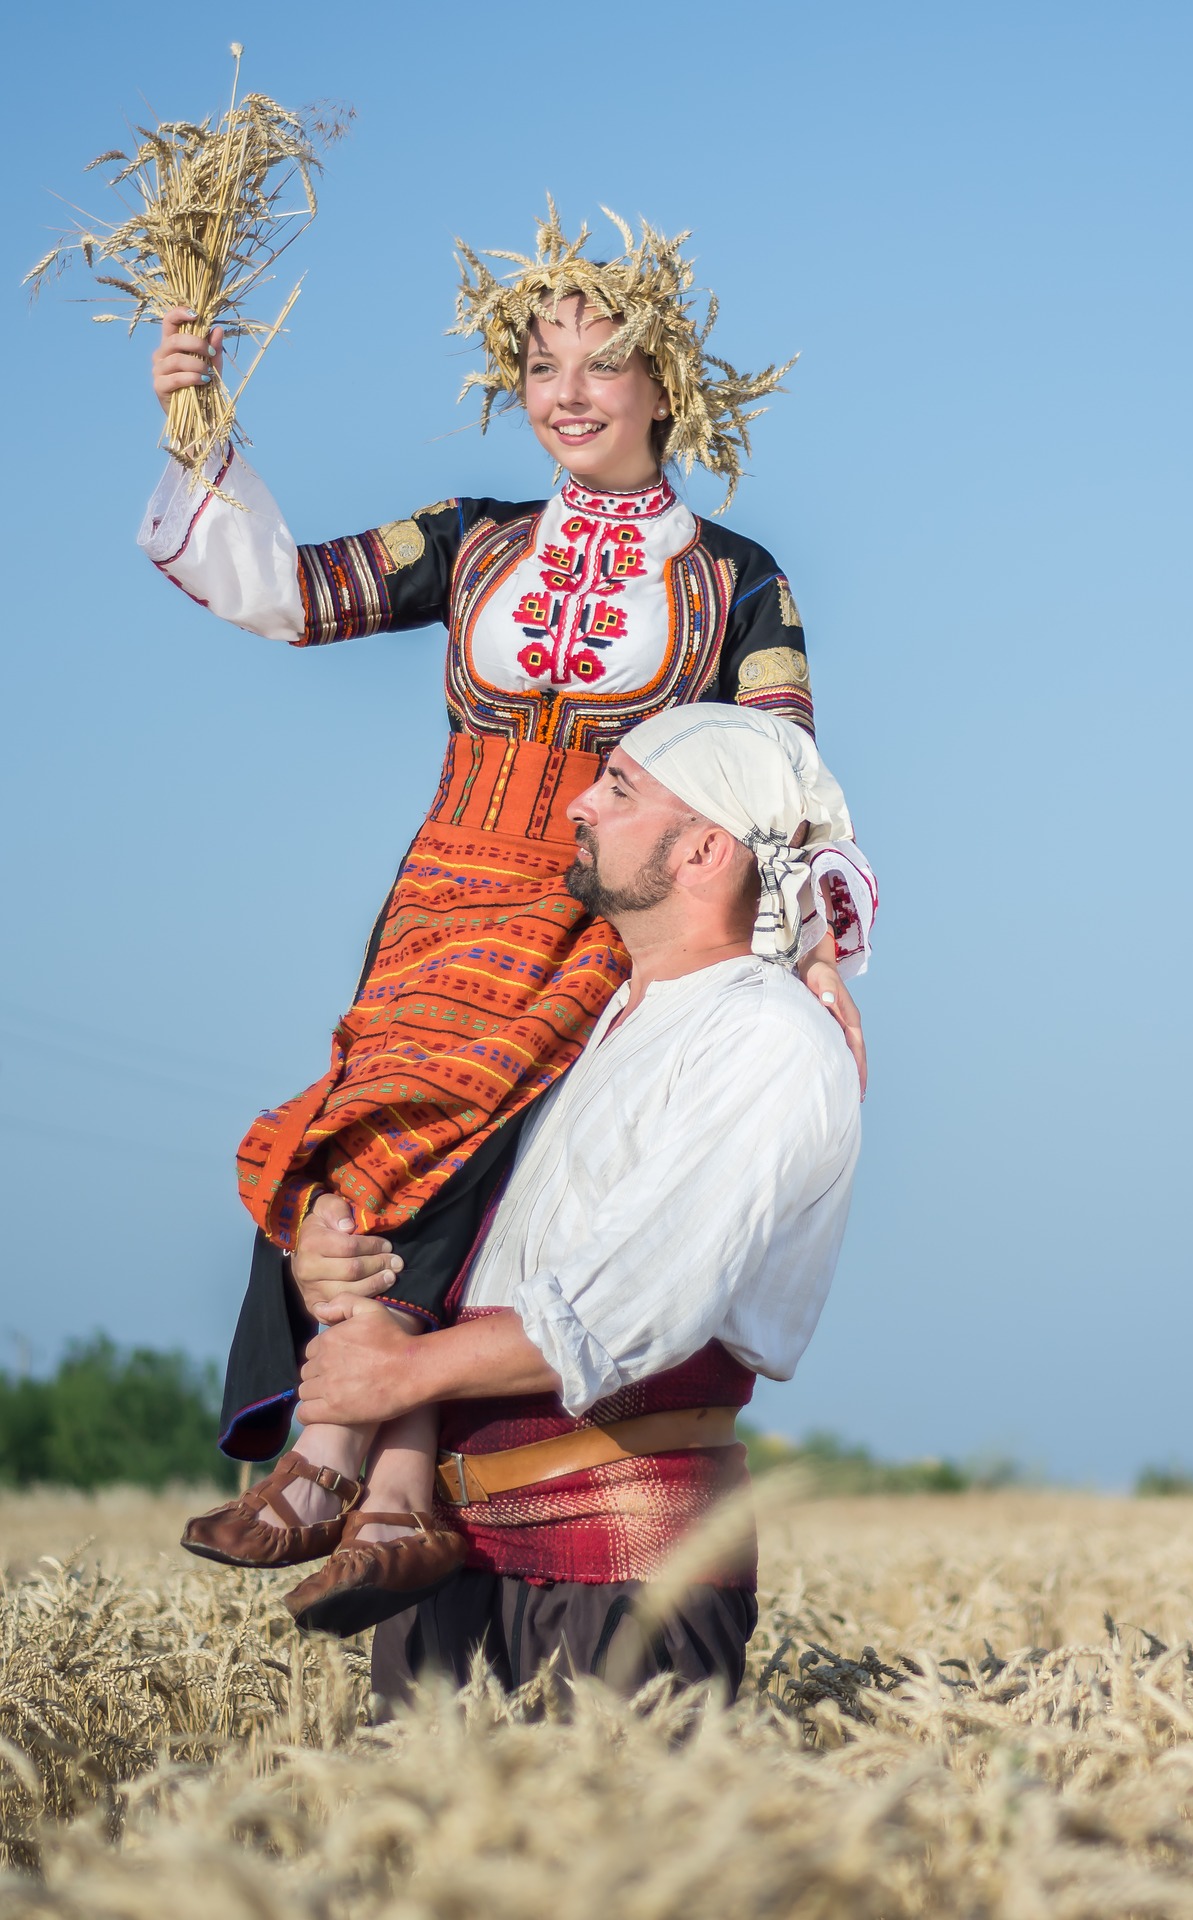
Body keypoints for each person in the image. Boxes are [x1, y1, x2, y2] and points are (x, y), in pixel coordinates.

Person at [148, 205, 874, 1594]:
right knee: (363, 1133)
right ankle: (380, 1485)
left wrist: (809, 945)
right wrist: (195, 425)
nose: (570, 393)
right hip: (441, 889)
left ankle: (343, 1464)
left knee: (476, 1146)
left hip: (591, 901)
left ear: (668, 386)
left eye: (603, 364)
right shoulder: (475, 541)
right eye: (544, 367)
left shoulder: (735, 581)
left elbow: (781, 765)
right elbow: (288, 594)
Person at [285, 705, 866, 1697]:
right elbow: (454, 1222)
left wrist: (398, 1376)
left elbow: (636, 1305)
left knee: (616, 1852)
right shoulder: (584, 1020)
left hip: (623, 1578)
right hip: (447, 1561)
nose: (578, 803)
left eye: (620, 789)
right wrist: (329, 1246)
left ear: (704, 850)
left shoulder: (764, 1038)